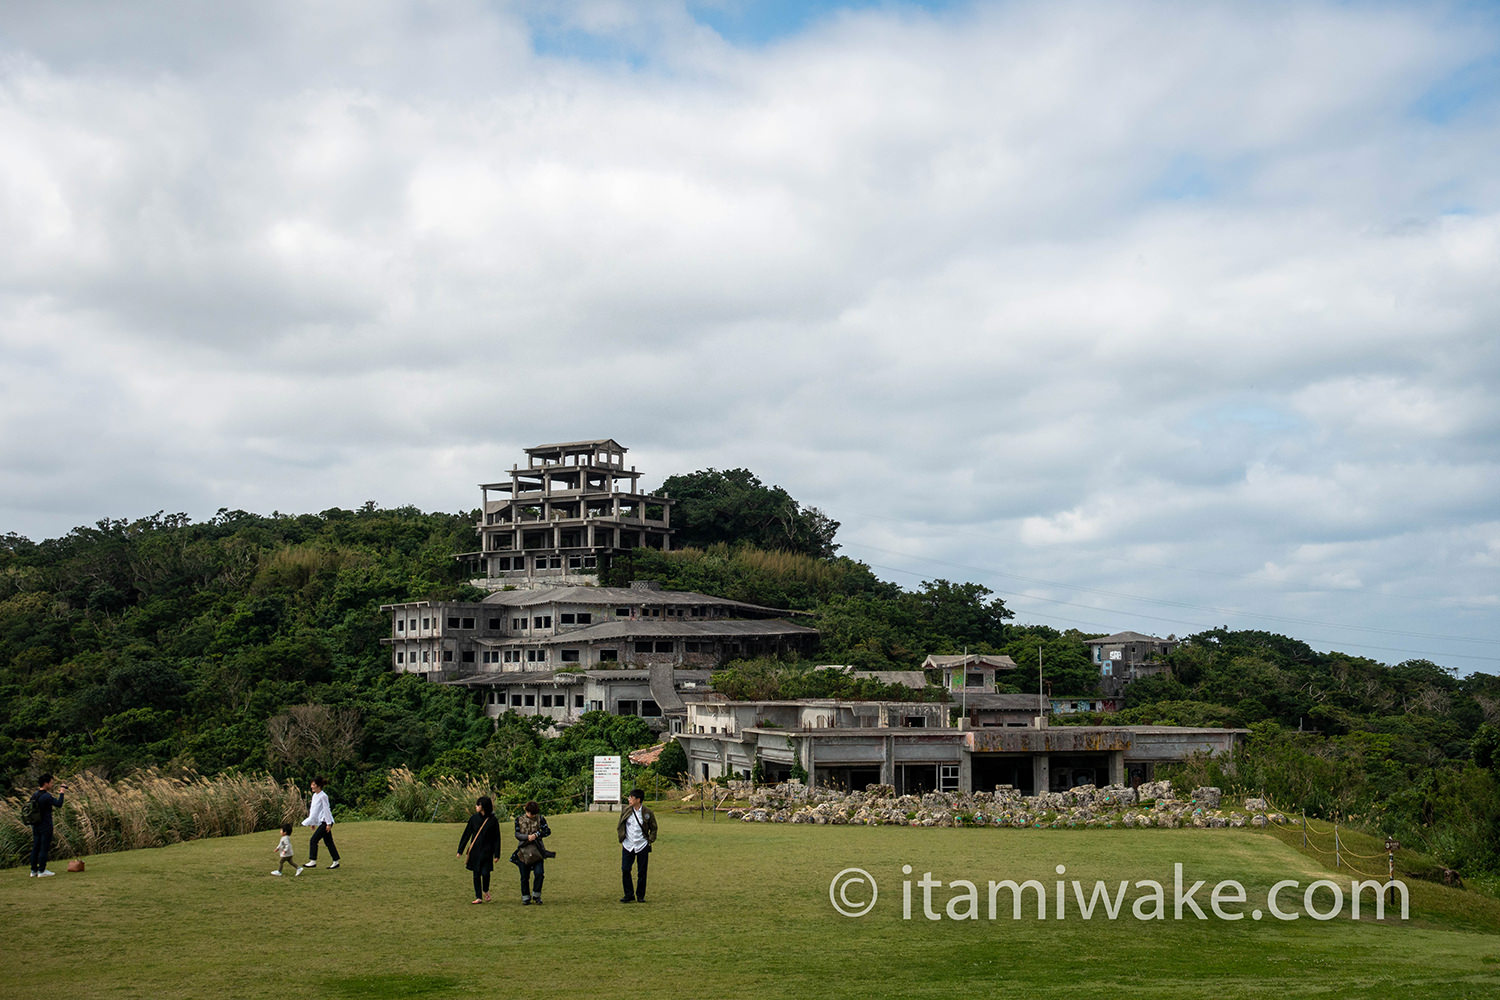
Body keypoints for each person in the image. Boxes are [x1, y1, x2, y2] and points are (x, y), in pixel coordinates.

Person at [457, 796, 501, 904]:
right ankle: (478, 897)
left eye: (478, 805)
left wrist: (497, 854)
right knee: (476, 874)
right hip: (475, 851)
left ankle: (485, 890)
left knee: (485, 873)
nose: (476, 806)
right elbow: (466, 834)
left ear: (483, 806)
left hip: (487, 852)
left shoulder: (493, 820)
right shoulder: (473, 819)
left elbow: (497, 838)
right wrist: (460, 850)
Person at [616, 788, 656, 903]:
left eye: (631, 798)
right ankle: (628, 894)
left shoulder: (647, 813)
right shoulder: (626, 810)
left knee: (642, 872)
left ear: (638, 800)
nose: (629, 799)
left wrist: (650, 840)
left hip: (642, 844)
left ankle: (640, 895)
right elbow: (620, 825)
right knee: (625, 869)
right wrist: (622, 837)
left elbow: (654, 828)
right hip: (628, 844)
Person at [510, 800, 552, 905]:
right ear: (526, 810)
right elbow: (517, 834)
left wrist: (537, 835)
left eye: (534, 814)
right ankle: (525, 897)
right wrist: (527, 837)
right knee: (524, 877)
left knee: (539, 874)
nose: (531, 816)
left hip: (537, 851)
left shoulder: (541, 819)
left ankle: (536, 895)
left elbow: (547, 831)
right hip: (522, 852)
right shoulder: (518, 819)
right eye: (530, 813)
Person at [28, 774, 66, 878]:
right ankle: (42, 870)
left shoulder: (34, 795)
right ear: (46, 783)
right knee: (44, 847)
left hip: (35, 825)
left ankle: (33, 870)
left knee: (36, 847)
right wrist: (62, 793)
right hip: (46, 824)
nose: (52, 784)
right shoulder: (47, 796)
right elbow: (59, 804)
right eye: (51, 782)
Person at [300, 777, 340, 869]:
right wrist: (312, 822)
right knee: (329, 842)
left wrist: (328, 824)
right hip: (323, 821)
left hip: (326, 821)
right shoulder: (315, 796)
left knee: (313, 840)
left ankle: (312, 861)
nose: (311, 786)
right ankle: (336, 861)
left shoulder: (323, 796)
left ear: (318, 786)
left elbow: (326, 810)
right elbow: (314, 810)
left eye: (313, 785)